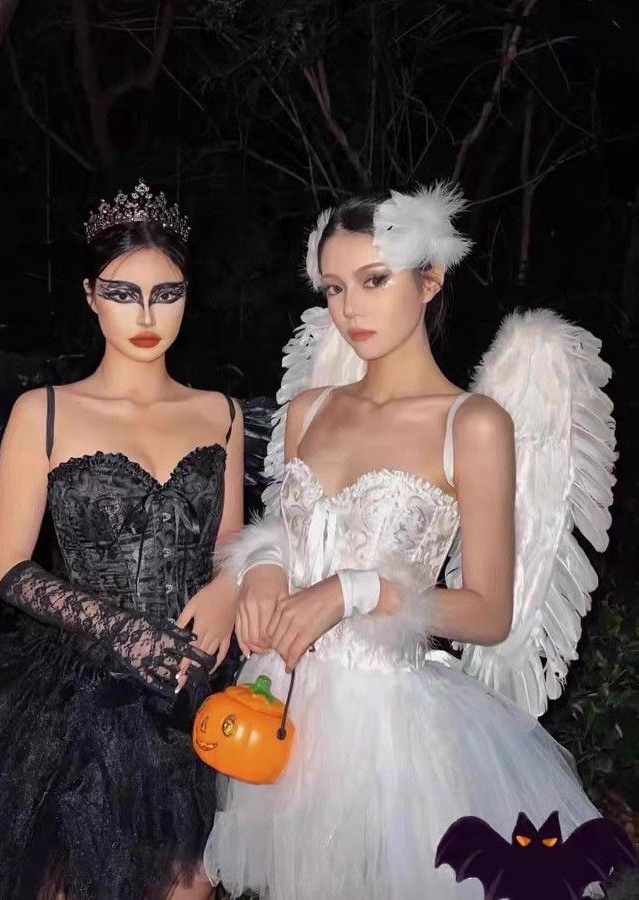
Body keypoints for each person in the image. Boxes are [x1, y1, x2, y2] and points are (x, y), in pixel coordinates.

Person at [203, 185, 620, 898]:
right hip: (285, 708)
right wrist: (264, 564)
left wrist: (357, 591)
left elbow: (490, 613)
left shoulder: (473, 423)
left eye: (373, 281)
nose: (350, 309)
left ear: (430, 280)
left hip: (395, 735)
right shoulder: (308, 409)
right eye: (334, 288)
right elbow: (291, 528)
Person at [0, 181, 243, 900]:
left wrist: (231, 582)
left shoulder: (220, 413)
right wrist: (120, 630)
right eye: (124, 294)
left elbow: (233, 542)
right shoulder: (46, 411)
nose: (148, 314)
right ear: (91, 296)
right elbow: (4, 567)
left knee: (186, 885)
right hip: (78, 691)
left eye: (167, 292)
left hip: (193, 692)